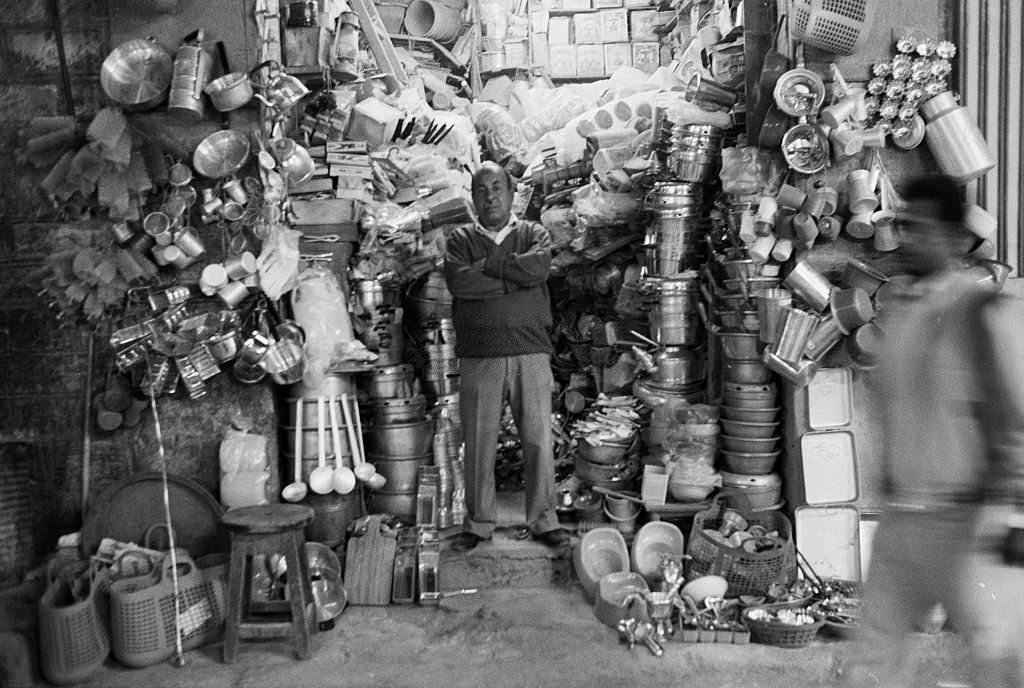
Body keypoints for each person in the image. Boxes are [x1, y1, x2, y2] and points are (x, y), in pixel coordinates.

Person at [846, 174, 1024, 687]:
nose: (908, 239)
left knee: (994, 664)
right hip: (902, 524)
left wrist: (1012, 521)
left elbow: (1014, 418)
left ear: (951, 238)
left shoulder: (982, 311)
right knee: (870, 663)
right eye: (904, 227)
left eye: (920, 229)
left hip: (966, 527)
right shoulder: (902, 314)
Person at [442, 161, 569, 552]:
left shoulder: (534, 232)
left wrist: (493, 269)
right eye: (482, 190)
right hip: (480, 355)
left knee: (537, 441)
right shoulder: (460, 239)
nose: (490, 196)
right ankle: (479, 523)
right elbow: (461, 283)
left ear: (512, 194)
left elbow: (540, 268)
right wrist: (513, 280)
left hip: (530, 351)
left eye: (497, 188)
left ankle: (544, 520)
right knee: (479, 443)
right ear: (473, 198)